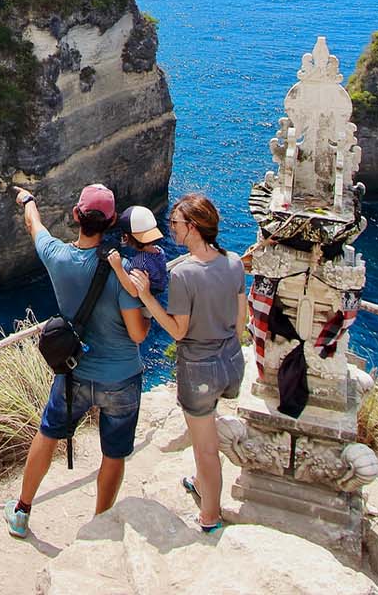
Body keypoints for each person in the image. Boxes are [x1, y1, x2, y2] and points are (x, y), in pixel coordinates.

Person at [8, 183, 151, 540]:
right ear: (113, 221)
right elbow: (137, 335)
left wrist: (28, 200)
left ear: (76, 216)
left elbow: (34, 226)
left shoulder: (57, 256)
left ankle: (22, 511)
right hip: (120, 377)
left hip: (74, 373)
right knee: (113, 454)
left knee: (48, 433)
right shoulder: (123, 271)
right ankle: (100, 522)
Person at [110, 192, 246, 534]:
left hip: (200, 368)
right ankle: (202, 485)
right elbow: (241, 322)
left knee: (206, 448)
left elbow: (177, 331)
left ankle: (210, 517)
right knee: (207, 427)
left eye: (176, 223)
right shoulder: (233, 263)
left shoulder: (184, 275)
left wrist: (145, 297)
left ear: (193, 227)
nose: (171, 228)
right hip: (230, 361)